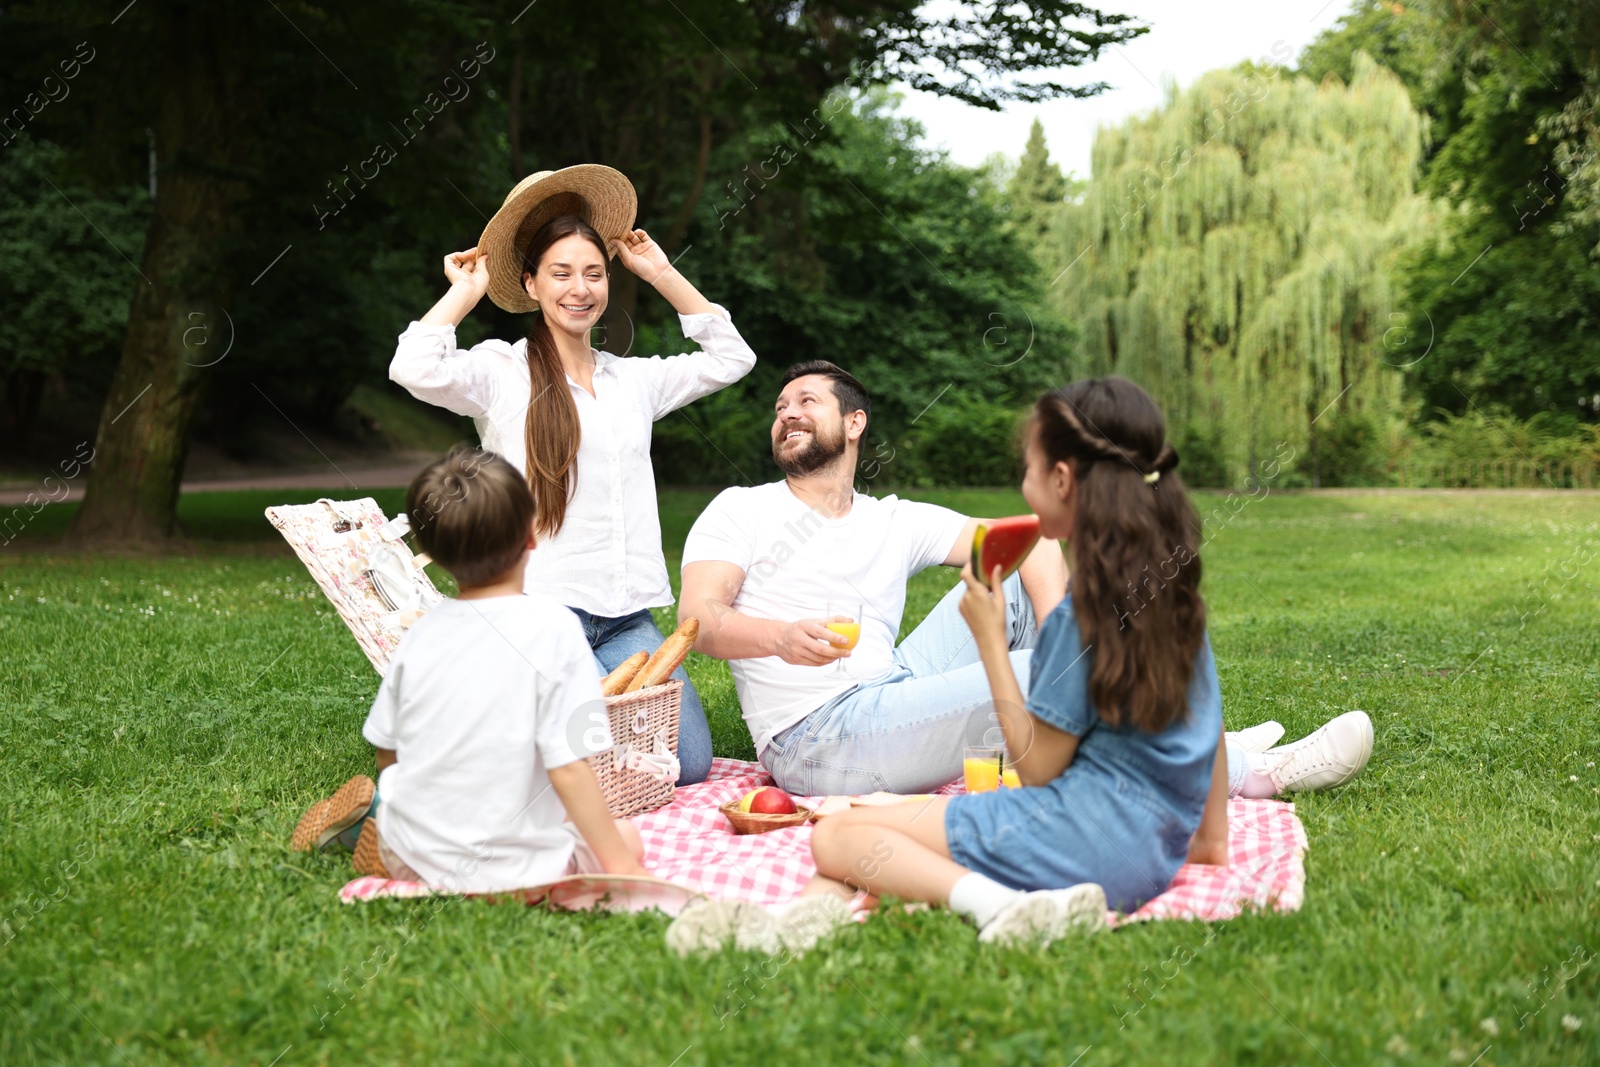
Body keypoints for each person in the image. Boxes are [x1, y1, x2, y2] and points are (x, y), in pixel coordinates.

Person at [676, 361, 1373, 801]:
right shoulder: (741, 508)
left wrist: (1068, 644)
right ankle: (1250, 769)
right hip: (819, 738)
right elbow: (698, 620)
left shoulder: (890, 519)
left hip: (887, 686)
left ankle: (1160, 725)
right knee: (1026, 670)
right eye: (779, 407)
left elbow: (1034, 542)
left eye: (805, 401)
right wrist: (778, 637)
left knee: (1010, 587)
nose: (787, 412)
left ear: (855, 423)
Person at [389, 165, 757, 786]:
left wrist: (662, 273)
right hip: (538, 615)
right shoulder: (502, 372)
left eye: (593, 273)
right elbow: (413, 367)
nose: (579, 289)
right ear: (531, 283)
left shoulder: (634, 381)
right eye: (560, 273)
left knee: (687, 763)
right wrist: (465, 291)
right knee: (588, 762)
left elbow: (733, 358)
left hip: (624, 619)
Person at [291, 446, 647, 892]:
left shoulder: (420, 634)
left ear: (433, 557)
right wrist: (622, 867)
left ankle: (379, 828)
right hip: (521, 867)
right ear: (532, 535)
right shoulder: (556, 629)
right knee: (629, 838)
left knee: (402, 799)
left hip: (414, 852)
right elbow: (572, 766)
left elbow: (388, 751)